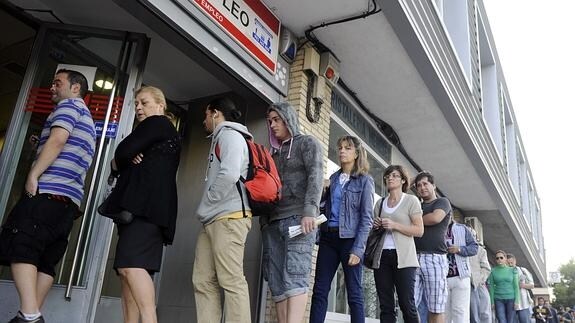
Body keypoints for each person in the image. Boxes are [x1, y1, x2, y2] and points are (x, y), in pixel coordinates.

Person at [0, 69, 96, 323]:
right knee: (45, 258)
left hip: (48, 191)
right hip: (69, 201)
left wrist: (34, 175)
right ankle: (29, 314)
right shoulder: (87, 118)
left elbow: (58, 140)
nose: (52, 88)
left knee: (21, 245)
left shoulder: (68, 106)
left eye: (58, 83)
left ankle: (30, 315)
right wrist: (39, 145)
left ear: (76, 88)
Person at [110, 86, 181, 323]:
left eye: (145, 102)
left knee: (130, 267)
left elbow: (121, 152)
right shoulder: (165, 132)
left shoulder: (156, 123)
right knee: (127, 272)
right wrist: (126, 158)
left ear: (160, 105)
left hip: (144, 210)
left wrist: (126, 156)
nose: (139, 107)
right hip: (154, 211)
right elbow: (122, 158)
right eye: (136, 103)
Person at [192, 97, 253, 323]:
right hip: (214, 219)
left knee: (231, 281)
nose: (204, 120)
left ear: (216, 113)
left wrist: (209, 199)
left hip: (229, 218)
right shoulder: (222, 137)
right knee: (203, 280)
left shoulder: (230, 135)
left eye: (206, 115)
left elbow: (229, 173)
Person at [262, 102, 323, 323]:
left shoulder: (307, 143)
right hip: (273, 223)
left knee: (295, 276)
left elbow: (316, 176)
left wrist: (310, 211)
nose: (273, 124)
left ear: (288, 119)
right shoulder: (273, 154)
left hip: (298, 218)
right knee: (276, 281)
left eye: (277, 119)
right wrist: (264, 222)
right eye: (270, 121)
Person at [310, 136, 374, 323]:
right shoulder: (333, 178)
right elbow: (324, 209)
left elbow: (366, 217)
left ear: (356, 153)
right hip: (329, 238)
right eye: (340, 148)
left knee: (354, 292)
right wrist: (323, 191)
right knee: (320, 290)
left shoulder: (365, 181)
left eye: (347, 148)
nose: (342, 151)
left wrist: (358, 248)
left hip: (350, 240)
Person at [367, 165, 423, 323]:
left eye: (395, 175)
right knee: (385, 306)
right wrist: (377, 225)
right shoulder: (380, 203)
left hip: (404, 259)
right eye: (387, 176)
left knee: (407, 304)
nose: (390, 178)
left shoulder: (411, 200)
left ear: (403, 180)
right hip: (381, 257)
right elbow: (373, 230)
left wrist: (395, 225)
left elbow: (419, 230)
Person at [413, 171, 451, 323]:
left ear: (433, 185)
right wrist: (412, 180)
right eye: (418, 185)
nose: (422, 188)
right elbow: (399, 192)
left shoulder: (442, 202)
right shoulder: (416, 204)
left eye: (425, 184)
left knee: (436, 308)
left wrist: (413, 221)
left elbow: (435, 218)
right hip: (413, 258)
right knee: (409, 304)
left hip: (435, 258)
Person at [444, 218, 478, 323]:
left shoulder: (462, 228)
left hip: (461, 275)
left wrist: (459, 249)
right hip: (441, 277)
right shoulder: (436, 229)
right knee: (444, 313)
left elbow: (474, 248)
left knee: (460, 312)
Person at [487, 250, 520, 323]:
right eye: (497, 258)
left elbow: (516, 286)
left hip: (511, 299)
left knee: (510, 321)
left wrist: (517, 301)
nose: (499, 260)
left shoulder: (513, 270)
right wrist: (492, 302)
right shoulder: (493, 271)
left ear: (505, 258)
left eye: (501, 257)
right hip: (498, 299)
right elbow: (491, 287)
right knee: (502, 321)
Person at [468, 228, 492, 323]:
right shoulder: (459, 249)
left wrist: (480, 280)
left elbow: (486, 268)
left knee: (484, 313)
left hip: (479, 284)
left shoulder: (480, 250)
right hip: (465, 283)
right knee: (472, 314)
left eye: (473, 235)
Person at [506, 253, 535, 323]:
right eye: (508, 263)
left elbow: (532, 285)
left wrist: (522, 285)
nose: (510, 265)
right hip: (510, 303)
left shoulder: (522, 270)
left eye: (511, 262)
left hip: (523, 303)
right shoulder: (504, 273)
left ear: (515, 261)